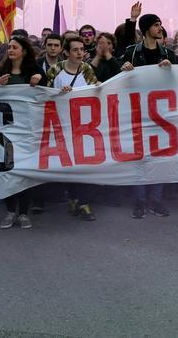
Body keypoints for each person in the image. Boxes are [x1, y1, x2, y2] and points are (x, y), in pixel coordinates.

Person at [120, 12, 176, 218]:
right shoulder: (131, 52)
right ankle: (140, 200)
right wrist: (123, 68)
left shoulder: (168, 54)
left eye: (160, 24)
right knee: (140, 158)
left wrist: (172, 70)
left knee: (160, 157)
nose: (159, 28)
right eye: (155, 25)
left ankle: (156, 199)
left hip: (162, 113)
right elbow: (117, 79)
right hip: (138, 111)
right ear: (145, 30)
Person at [44, 37, 101, 223]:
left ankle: (84, 203)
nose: (79, 53)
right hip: (62, 125)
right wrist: (59, 93)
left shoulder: (86, 69)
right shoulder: (55, 70)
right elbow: (45, 94)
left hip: (84, 126)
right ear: (66, 52)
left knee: (85, 165)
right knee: (70, 165)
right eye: (75, 50)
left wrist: (100, 86)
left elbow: (95, 88)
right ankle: (73, 198)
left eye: (81, 49)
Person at [0, 35, 43, 229]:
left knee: (25, 172)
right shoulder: (1, 71)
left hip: (27, 129)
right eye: (9, 48)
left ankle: (23, 213)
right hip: (6, 130)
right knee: (9, 171)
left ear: (24, 51)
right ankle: (10, 211)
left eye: (15, 47)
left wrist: (40, 79)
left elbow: (45, 92)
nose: (10, 50)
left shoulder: (34, 70)